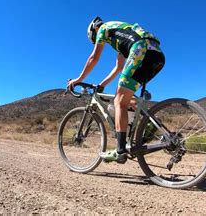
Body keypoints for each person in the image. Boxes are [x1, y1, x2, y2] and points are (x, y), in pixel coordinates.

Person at [67, 16, 165, 163]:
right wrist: (102, 84)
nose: (97, 42)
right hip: (156, 55)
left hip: (140, 49)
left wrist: (78, 79)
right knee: (125, 98)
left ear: (94, 30)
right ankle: (150, 122)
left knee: (119, 101)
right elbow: (118, 67)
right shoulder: (122, 36)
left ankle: (120, 150)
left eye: (95, 40)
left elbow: (94, 58)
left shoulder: (103, 29)